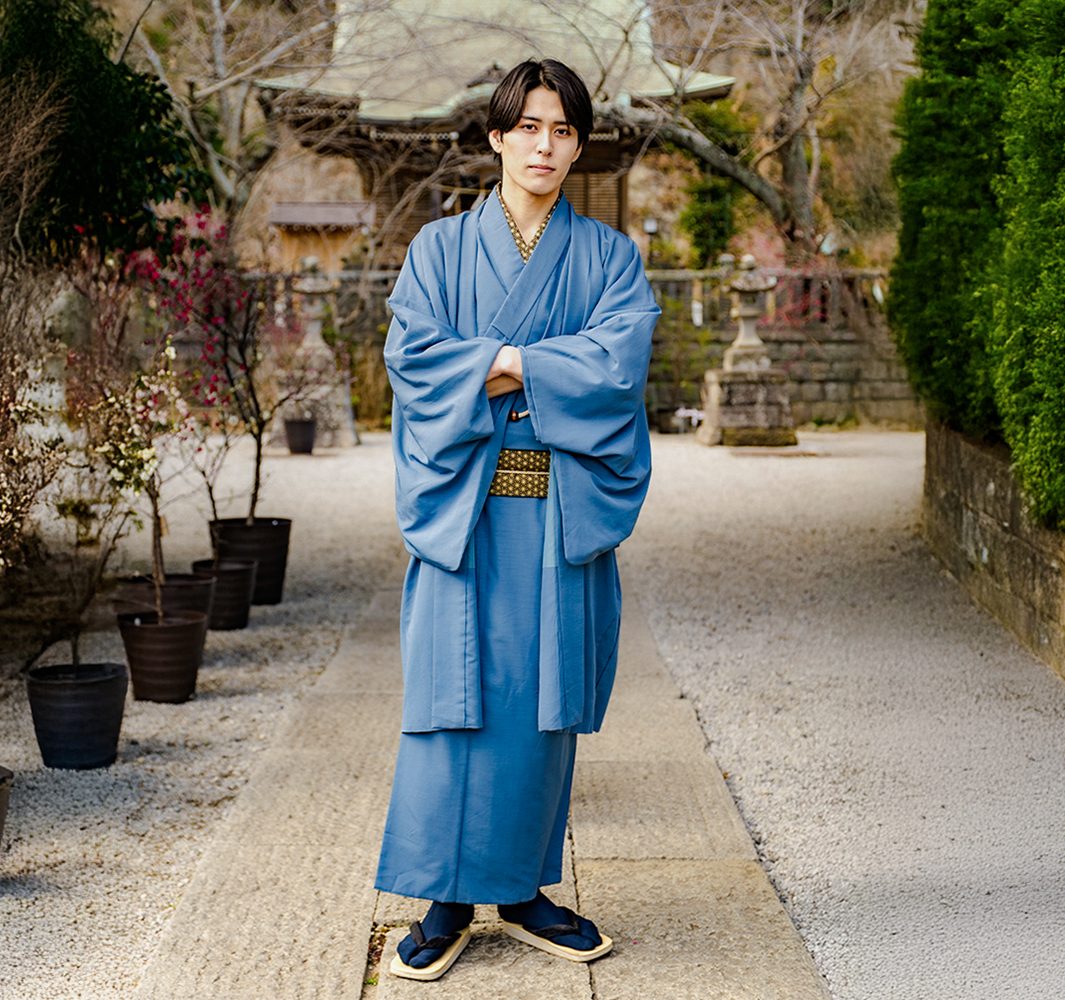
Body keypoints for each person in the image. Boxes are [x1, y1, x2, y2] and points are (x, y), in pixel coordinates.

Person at [374, 58, 659, 982]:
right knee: (450, 699)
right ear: (496, 137)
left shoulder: (610, 258)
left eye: (563, 131)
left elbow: (616, 368)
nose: (545, 146)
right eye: (527, 128)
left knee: (542, 705)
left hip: (556, 513)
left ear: (579, 146)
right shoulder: (437, 252)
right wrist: (538, 363)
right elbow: (415, 359)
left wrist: (496, 364)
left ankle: (523, 888)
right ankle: (445, 896)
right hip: (464, 509)